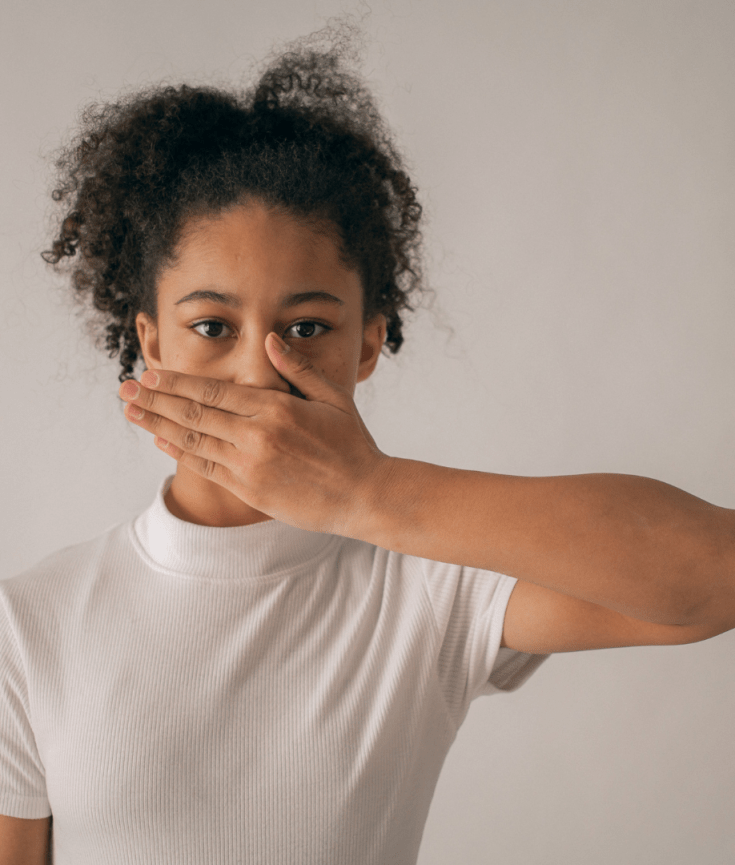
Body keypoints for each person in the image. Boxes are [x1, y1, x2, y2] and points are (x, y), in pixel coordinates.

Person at [1, 36, 733, 865]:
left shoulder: (430, 582)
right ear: (151, 342)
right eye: (211, 325)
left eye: (306, 327)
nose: (257, 370)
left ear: (366, 346)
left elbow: (718, 572)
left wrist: (367, 493)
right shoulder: (29, 624)